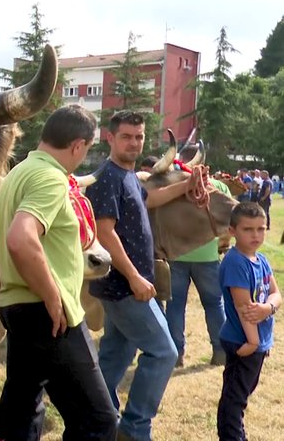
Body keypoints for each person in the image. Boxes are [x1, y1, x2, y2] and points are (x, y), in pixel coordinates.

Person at [0, 105, 117, 441]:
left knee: (22, 412)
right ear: (78, 145)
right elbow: (20, 238)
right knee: (98, 421)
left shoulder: (16, 175)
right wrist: (52, 295)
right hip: (48, 312)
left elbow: (3, 245)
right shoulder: (50, 178)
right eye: (87, 149)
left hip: (17, 305)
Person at [85, 111, 192, 441]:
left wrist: (189, 183)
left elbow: (150, 199)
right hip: (124, 287)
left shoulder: (128, 175)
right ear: (110, 138)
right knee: (164, 352)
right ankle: (133, 429)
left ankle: (95, 420)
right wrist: (133, 277)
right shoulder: (107, 178)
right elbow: (105, 233)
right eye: (127, 136)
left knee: (116, 356)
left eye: (139, 137)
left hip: (126, 286)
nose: (134, 142)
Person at [217, 202, 279, 440]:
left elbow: (276, 294)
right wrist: (254, 342)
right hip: (243, 340)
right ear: (232, 231)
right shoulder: (235, 262)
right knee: (234, 401)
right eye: (248, 229)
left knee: (242, 394)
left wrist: (268, 308)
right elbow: (244, 307)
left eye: (261, 229)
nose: (256, 235)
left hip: (257, 342)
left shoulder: (260, 259)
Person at [166, 145, 230, 368]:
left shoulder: (172, 185)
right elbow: (228, 219)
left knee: (175, 306)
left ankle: (176, 354)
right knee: (214, 304)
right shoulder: (218, 185)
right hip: (208, 256)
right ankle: (220, 352)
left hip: (176, 254)